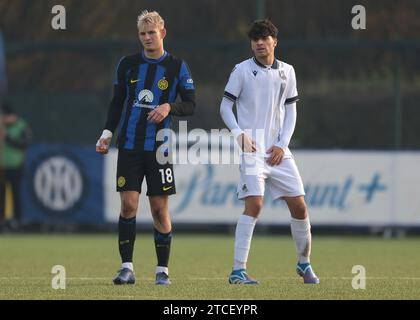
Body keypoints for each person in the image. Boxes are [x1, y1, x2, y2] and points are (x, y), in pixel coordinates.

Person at [96, 10, 195, 285]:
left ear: (163, 33)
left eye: (152, 33)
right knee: (128, 205)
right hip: (128, 145)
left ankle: (162, 270)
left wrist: (169, 107)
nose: (147, 38)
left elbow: (191, 104)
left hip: (159, 148)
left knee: (158, 209)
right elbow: (117, 103)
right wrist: (106, 133)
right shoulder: (127, 64)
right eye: (142, 34)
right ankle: (126, 267)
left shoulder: (177, 66)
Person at [220, 19, 319, 284]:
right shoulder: (241, 71)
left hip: (278, 151)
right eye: (255, 40)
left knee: (299, 206)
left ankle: (304, 263)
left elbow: (291, 110)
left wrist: (282, 144)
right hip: (252, 148)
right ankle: (238, 271)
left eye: (264, 38)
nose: (260, 43)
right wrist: (239, 135)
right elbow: (224, 108)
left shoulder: (287, 71)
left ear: (274, 41)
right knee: (255, 204)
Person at [0, 103, 32, 229]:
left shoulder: (21, 126)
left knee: (15, 194)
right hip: (2, 166)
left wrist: (8, 138)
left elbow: (25, 143)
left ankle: (17, 221)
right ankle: (2, 221)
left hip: (16, 165)